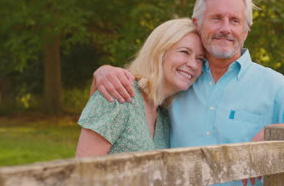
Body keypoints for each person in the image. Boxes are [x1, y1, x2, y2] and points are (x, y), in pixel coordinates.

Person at [92, 0, 284, 185]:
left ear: (246, 30)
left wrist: (268, 134)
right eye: (216, 18)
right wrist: (103, 72)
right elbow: (131, 96)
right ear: (197, 23)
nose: (225, 28)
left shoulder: (272, 85)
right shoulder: (181, 78)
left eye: (234, 20)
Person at [76, 18, 204, 158]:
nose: (193, 64)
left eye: (200, 59)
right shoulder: (119, 92)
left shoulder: (164, 116)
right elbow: (82, 171)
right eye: (184, 52)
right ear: (159, 52)